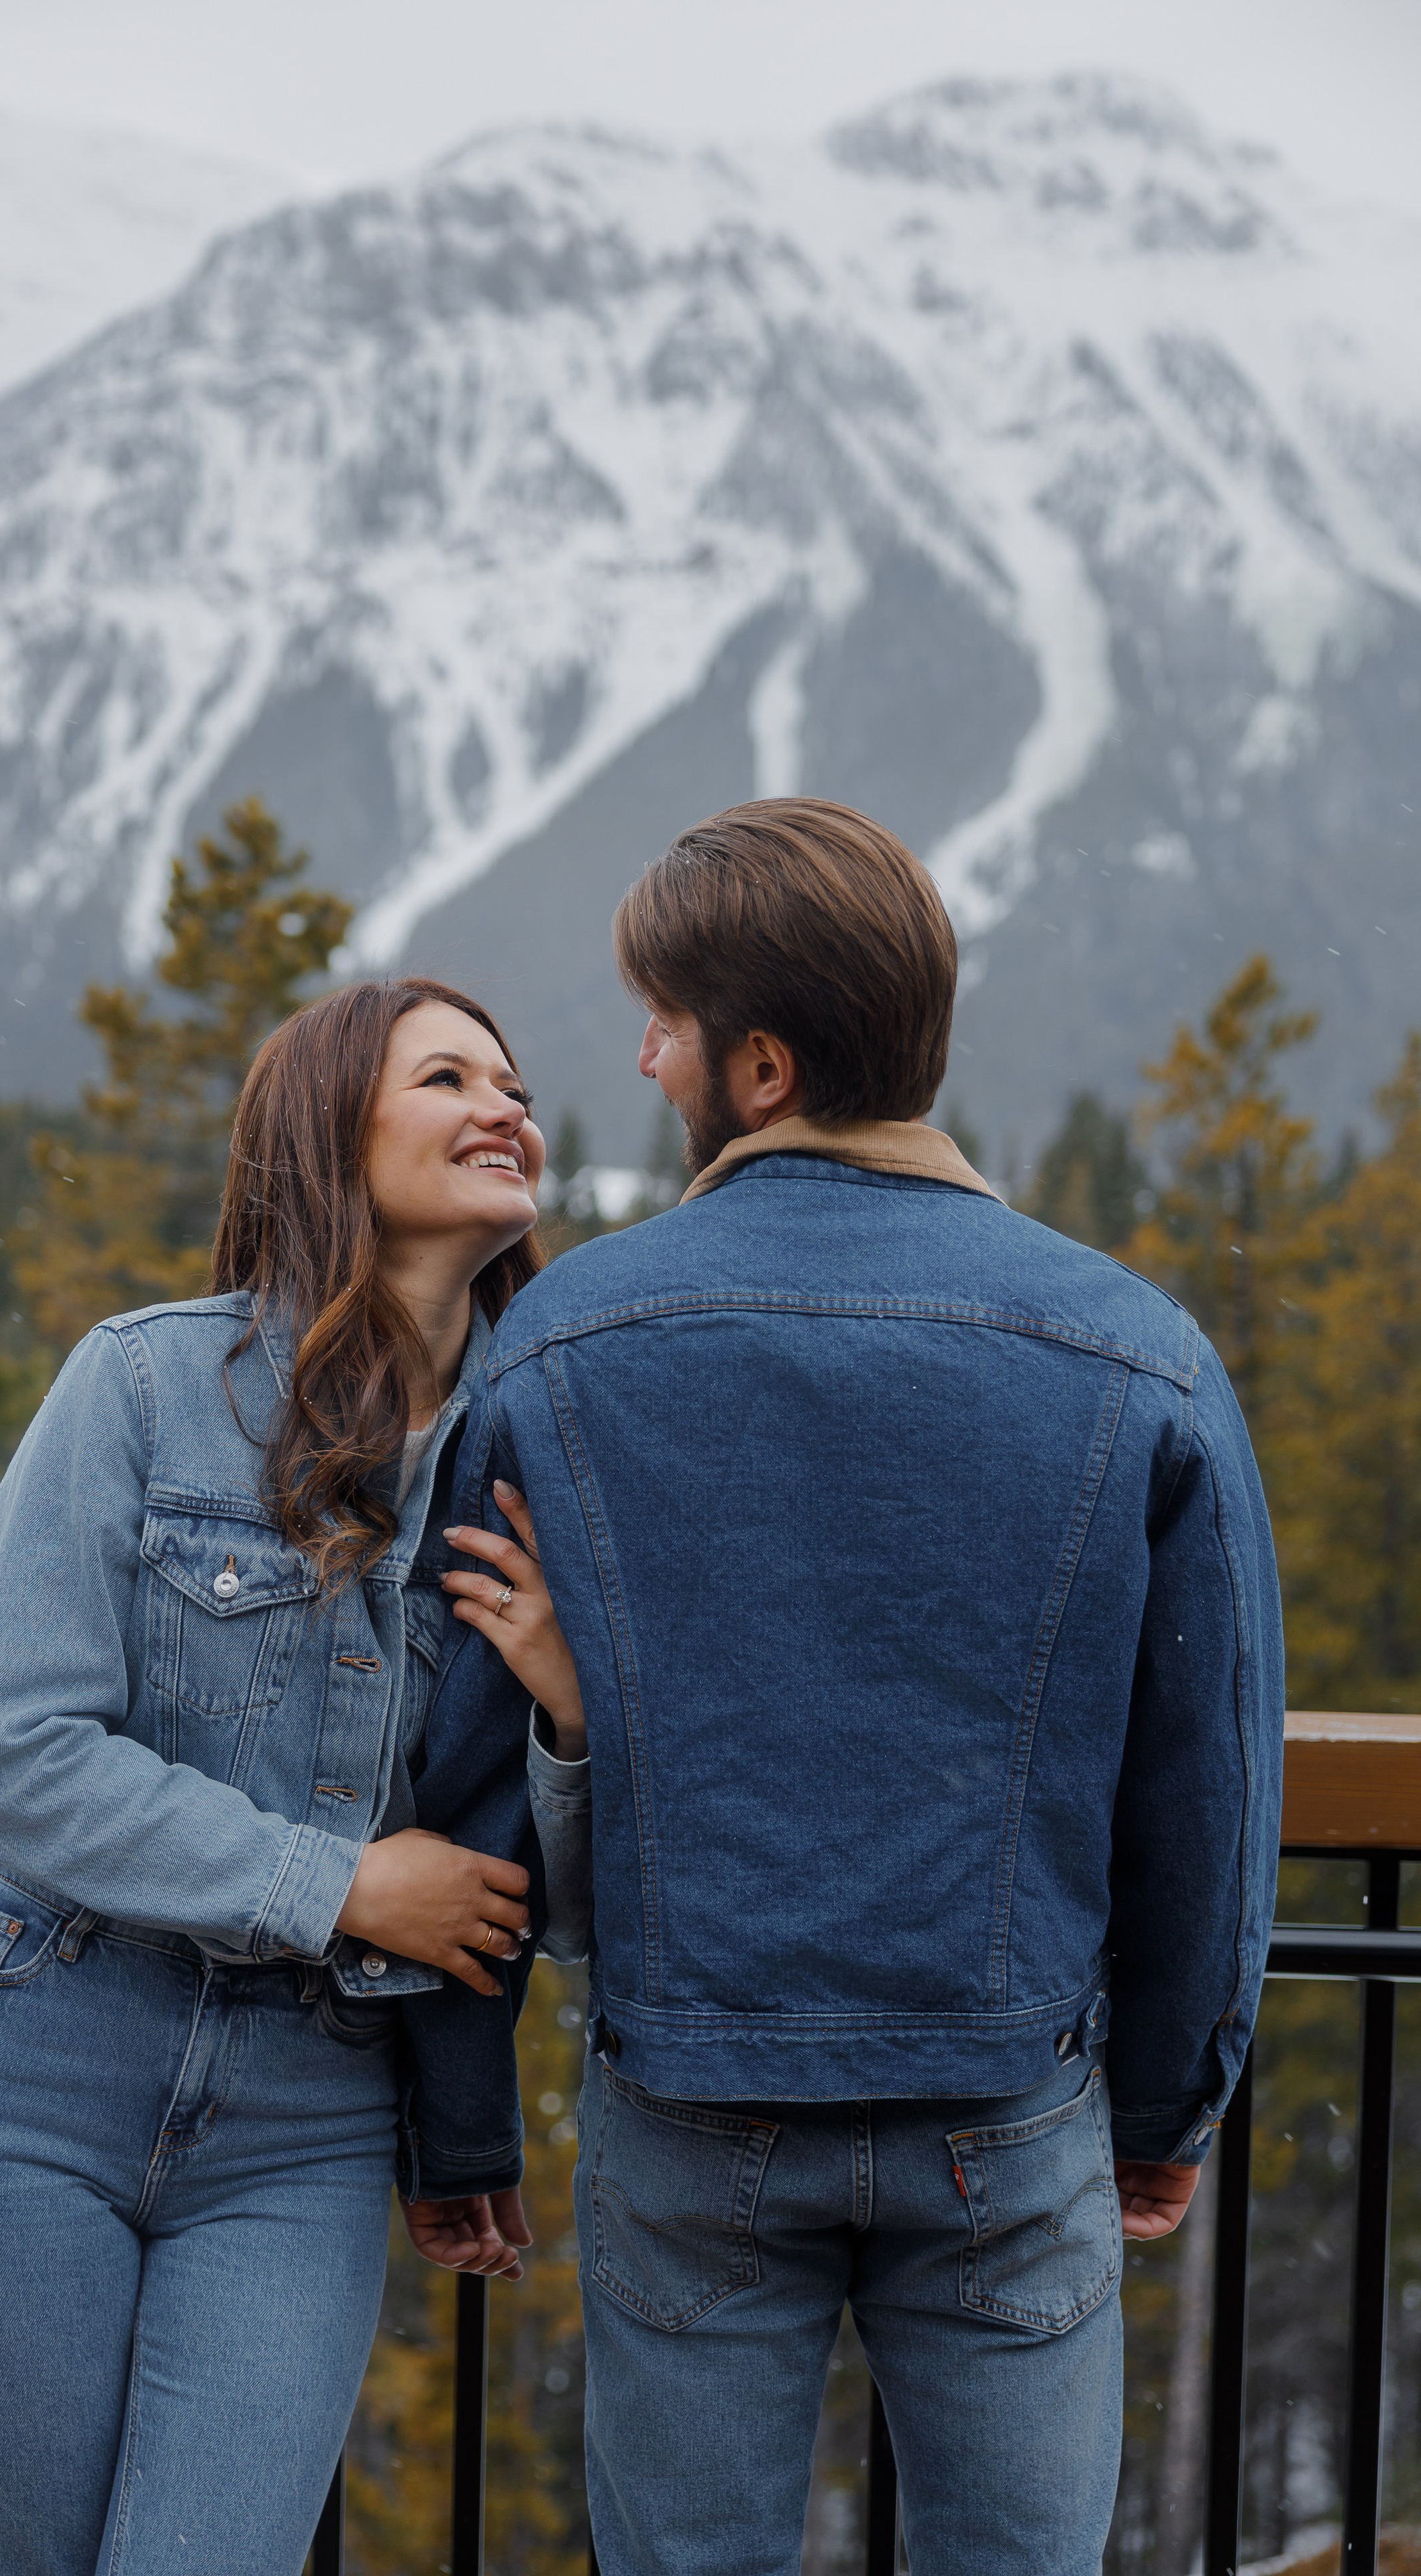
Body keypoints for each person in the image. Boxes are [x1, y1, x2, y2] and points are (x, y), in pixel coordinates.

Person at [429, 798, 1284, 2575]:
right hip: (1004, 2112)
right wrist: (1167, 2104)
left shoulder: (559, 1346)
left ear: (755, 1066)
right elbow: (1204, 1783)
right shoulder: (1140, 1355)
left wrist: (461, 2113)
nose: (639, 1054)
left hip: (693, 2111)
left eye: (661, 1019)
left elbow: (465, 1778)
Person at [0, 975, 556, 2576]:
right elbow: (14, 1761)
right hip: (32, 2063)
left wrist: (574, 1718)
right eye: (445, 1075)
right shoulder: (139, 1387)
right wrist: (337, 1883)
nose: (501, 1103)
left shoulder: (547, 1459)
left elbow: (545, 1875)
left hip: (309, 2113)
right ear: (329, 1131)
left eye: (513, 1083)